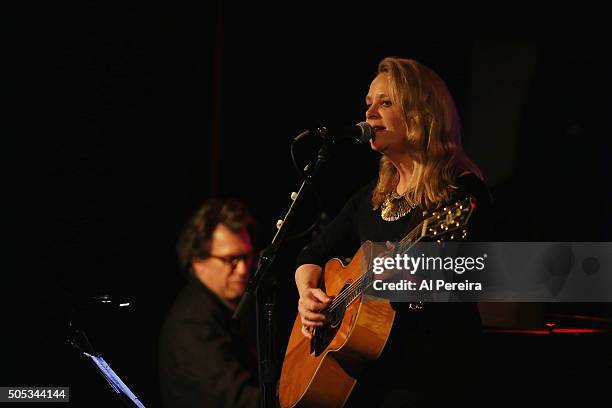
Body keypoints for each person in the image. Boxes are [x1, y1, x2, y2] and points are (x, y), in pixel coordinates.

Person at [294, 57, 493, 407]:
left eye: (385, 103)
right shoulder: (373, 193)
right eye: (368, 103)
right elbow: (312, 254)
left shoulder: (461, 194)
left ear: (421, 113)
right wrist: (308, 294)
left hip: (429, 376)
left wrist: (409, 278)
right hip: (367, 378)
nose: (370, 114)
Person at [158, 199, 259, 408]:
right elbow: (238, 401)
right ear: (198, 262)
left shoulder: (228, 308)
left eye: (247, 257)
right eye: (231, 259)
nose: (243, 269)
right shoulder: (192, 322)